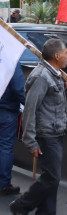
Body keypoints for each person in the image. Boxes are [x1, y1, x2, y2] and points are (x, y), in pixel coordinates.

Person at [10, 39, 67, 215]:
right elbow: (30, 109)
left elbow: (54, 103)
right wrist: (30, 141)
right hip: (46, 134)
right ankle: (21, 206)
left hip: (55, 132)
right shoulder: (41, 76)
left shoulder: (53, 74)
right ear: (56, 56)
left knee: (52, 177)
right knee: (52, 177)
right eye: (66, 53)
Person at [0, 62, 25, 195]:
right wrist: (30, 104)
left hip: (6, 107)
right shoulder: (11, 60)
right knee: (5, 147)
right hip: (6, 109)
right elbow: (19, 87)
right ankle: (3, 184)